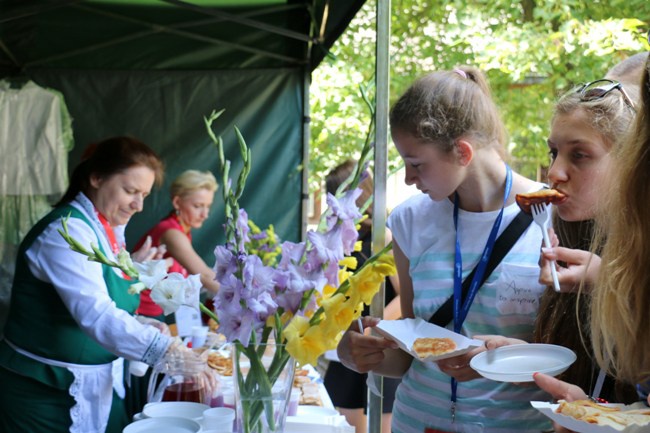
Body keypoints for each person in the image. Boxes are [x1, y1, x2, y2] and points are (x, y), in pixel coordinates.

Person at [337, 67, 552, 433]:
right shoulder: (410, 221)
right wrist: (358, 354)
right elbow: (410, 354)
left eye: (416, 164)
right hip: (417, 422)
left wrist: (496, 360)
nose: (408, 179)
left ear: (462, 152)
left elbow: (572, 357)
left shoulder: (549, 216)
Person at [0, 136, 192, 433]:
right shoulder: (66, 234)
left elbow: (105, 299)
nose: (139, 205)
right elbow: (95, 314)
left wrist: (141, 322)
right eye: (131, 191)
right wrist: (167, 350)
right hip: (46, 393)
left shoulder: (107, 229)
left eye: (144, 194)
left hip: (98, 385)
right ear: (96, 177)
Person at [535, 55, 650, 431]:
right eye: (554, 152)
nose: (554, 173)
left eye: (579, 155)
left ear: (631, 159)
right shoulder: (571, 233)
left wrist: (612, 284)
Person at [322, 159, 401, 433]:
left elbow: (404, 297)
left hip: (378, 345)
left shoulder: (385, 235)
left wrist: (371, 330)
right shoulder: (341, 236)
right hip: (345, 346)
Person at [134, 169, 220, 318]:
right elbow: (204, 275)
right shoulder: (171, 232)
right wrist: (241, 298)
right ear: (177, 202)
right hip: (141, 313)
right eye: (198, 206)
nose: (205, 214)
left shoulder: (182, 229)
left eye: (208, 206)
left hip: (155, 311)